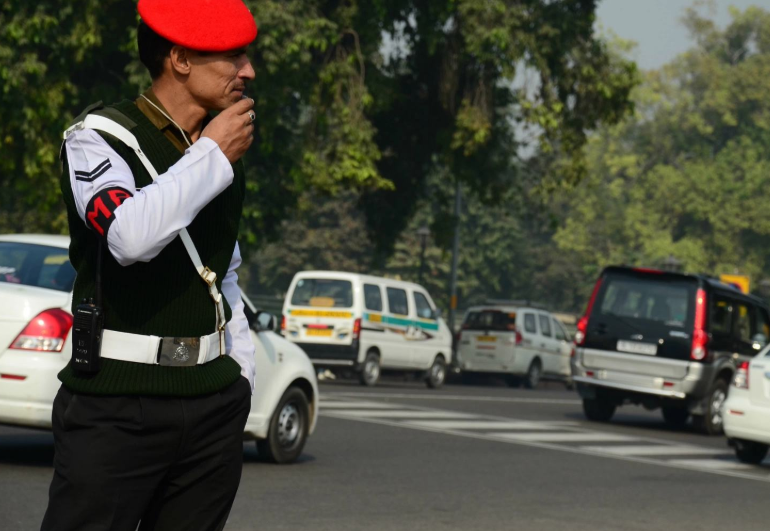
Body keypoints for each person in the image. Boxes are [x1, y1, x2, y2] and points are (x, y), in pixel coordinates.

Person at [41, 1, 260, 529]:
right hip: (117, 405)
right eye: (231, 58)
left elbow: (222, 270)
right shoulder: (99, 137)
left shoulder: (217, 147)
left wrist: (242, 377)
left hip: (212, 402)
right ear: (180, 59)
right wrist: (210, 156)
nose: (248, 72)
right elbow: (128, 236)